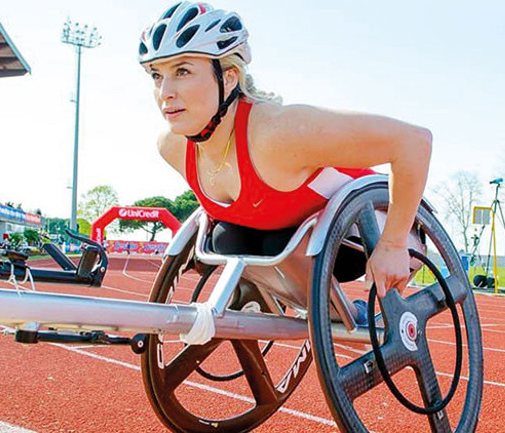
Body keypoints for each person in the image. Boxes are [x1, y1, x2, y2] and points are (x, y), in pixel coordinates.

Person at [139, 2, 432, 298]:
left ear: (228, 78)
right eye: (156, 75)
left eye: (183, 71)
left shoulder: (278, 133)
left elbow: (414, 142)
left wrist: (392, 245)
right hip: (281, 243)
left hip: (367, 231)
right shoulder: (172, 146)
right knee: (226, 239)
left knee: (275, 244)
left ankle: (337, 308)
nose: (165, 93)